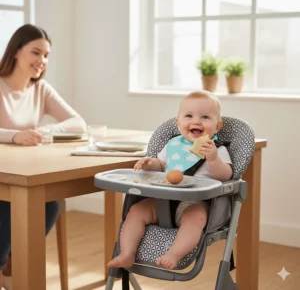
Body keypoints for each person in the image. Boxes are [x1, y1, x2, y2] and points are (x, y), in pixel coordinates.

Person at [0, 24, 86, 289]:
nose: (42, 61)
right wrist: (14, 135)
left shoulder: (41, 90)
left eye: (46, 55)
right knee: (7, 205)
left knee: (49, 204)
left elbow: (77, 122)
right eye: (35, 52)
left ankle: (11, 269)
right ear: (16, 52)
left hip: (26, 170)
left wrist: (43, 130)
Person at [107, 90, 233, 270]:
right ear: (178, 122)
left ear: (218, 126)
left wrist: (213, 159)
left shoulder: (215, 149)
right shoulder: (173, 144)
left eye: (205, 117)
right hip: (163, 200)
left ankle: (174, 253)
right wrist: (149, 163)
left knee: (196, 218)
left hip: (193, 203)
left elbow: (225, 176)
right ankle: (127, 253)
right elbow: (161, 165)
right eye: (188, 116)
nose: (196, 121)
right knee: (136, 211)